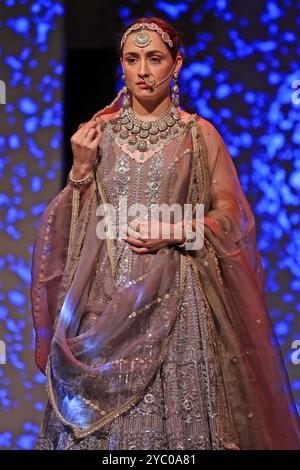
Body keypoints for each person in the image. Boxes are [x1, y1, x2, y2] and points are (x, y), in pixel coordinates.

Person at [31, 17, 300, 450]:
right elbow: (68, 228)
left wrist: (176, 229)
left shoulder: (199, 134)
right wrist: (79, 170)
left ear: (176, 64)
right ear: (121, 65)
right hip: (105, 297)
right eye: (132, 59)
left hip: (178, 300)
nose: (142, 70)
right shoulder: (99, 134)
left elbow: (234, 220)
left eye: (154, 59)